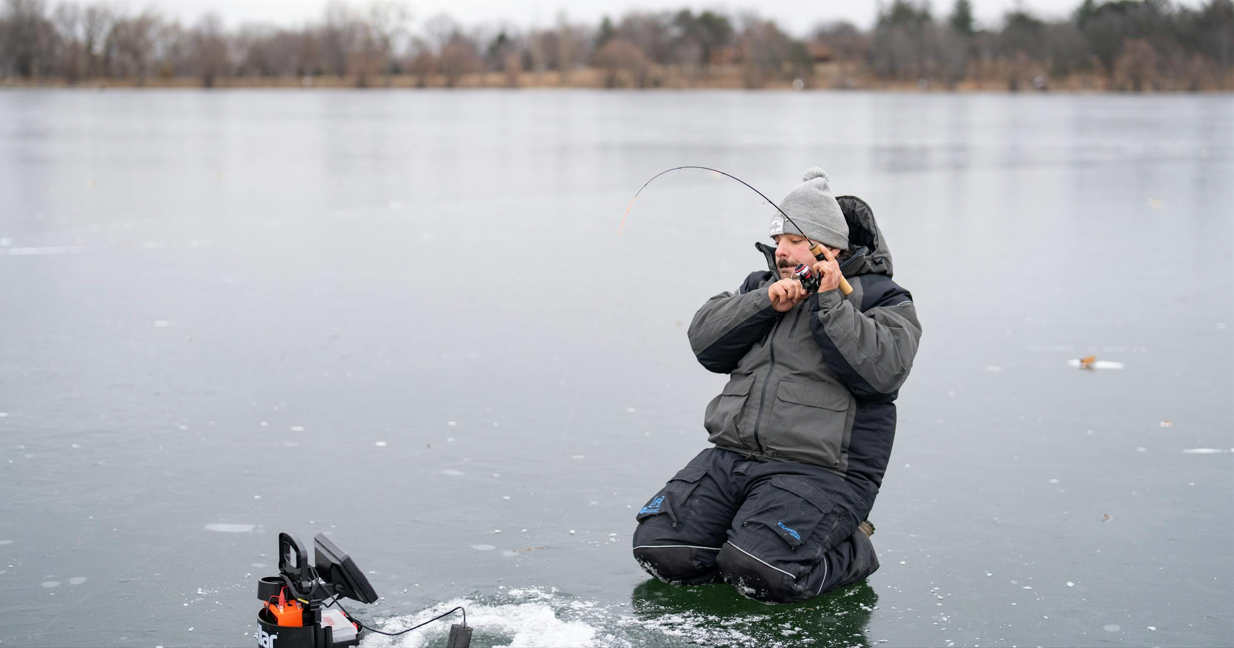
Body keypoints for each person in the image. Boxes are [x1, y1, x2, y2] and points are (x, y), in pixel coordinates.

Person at [631, 167, 922, 603]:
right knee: (661, 550)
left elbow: (883, 371)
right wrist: (763, 304)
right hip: (733, 457)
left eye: (794, 241)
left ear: (830, 248)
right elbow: (705, 342)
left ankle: (851, 547)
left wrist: (829, 303)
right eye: (778, 240)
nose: (781, 252)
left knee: (763, 572)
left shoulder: (884, 298)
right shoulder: (760, 286)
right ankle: (747, 539)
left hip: (822, 471)